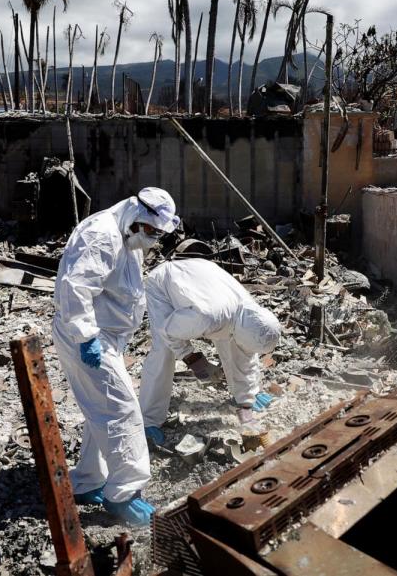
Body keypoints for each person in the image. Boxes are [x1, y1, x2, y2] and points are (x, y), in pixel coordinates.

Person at [52, 187, 180, 526]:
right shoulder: (101, 235)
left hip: (107, 336)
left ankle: (87, 482)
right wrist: (86, 337)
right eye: (152, 231)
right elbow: (75, 286)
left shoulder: (128, 233)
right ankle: (124, 494)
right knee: (122, 410)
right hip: (89, 337)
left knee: (101, 411)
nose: (153, 240)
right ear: (138, 216)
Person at [139, 258, 281, 445]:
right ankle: (147, 421)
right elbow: (168, 331)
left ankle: (244, 397)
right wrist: (193, 359)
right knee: (163, 351)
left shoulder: (251, 314)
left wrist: (247, 399)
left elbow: (244, 353)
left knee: (234, 343)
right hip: (163, 284)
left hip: (202, 275)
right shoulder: (207, 317)